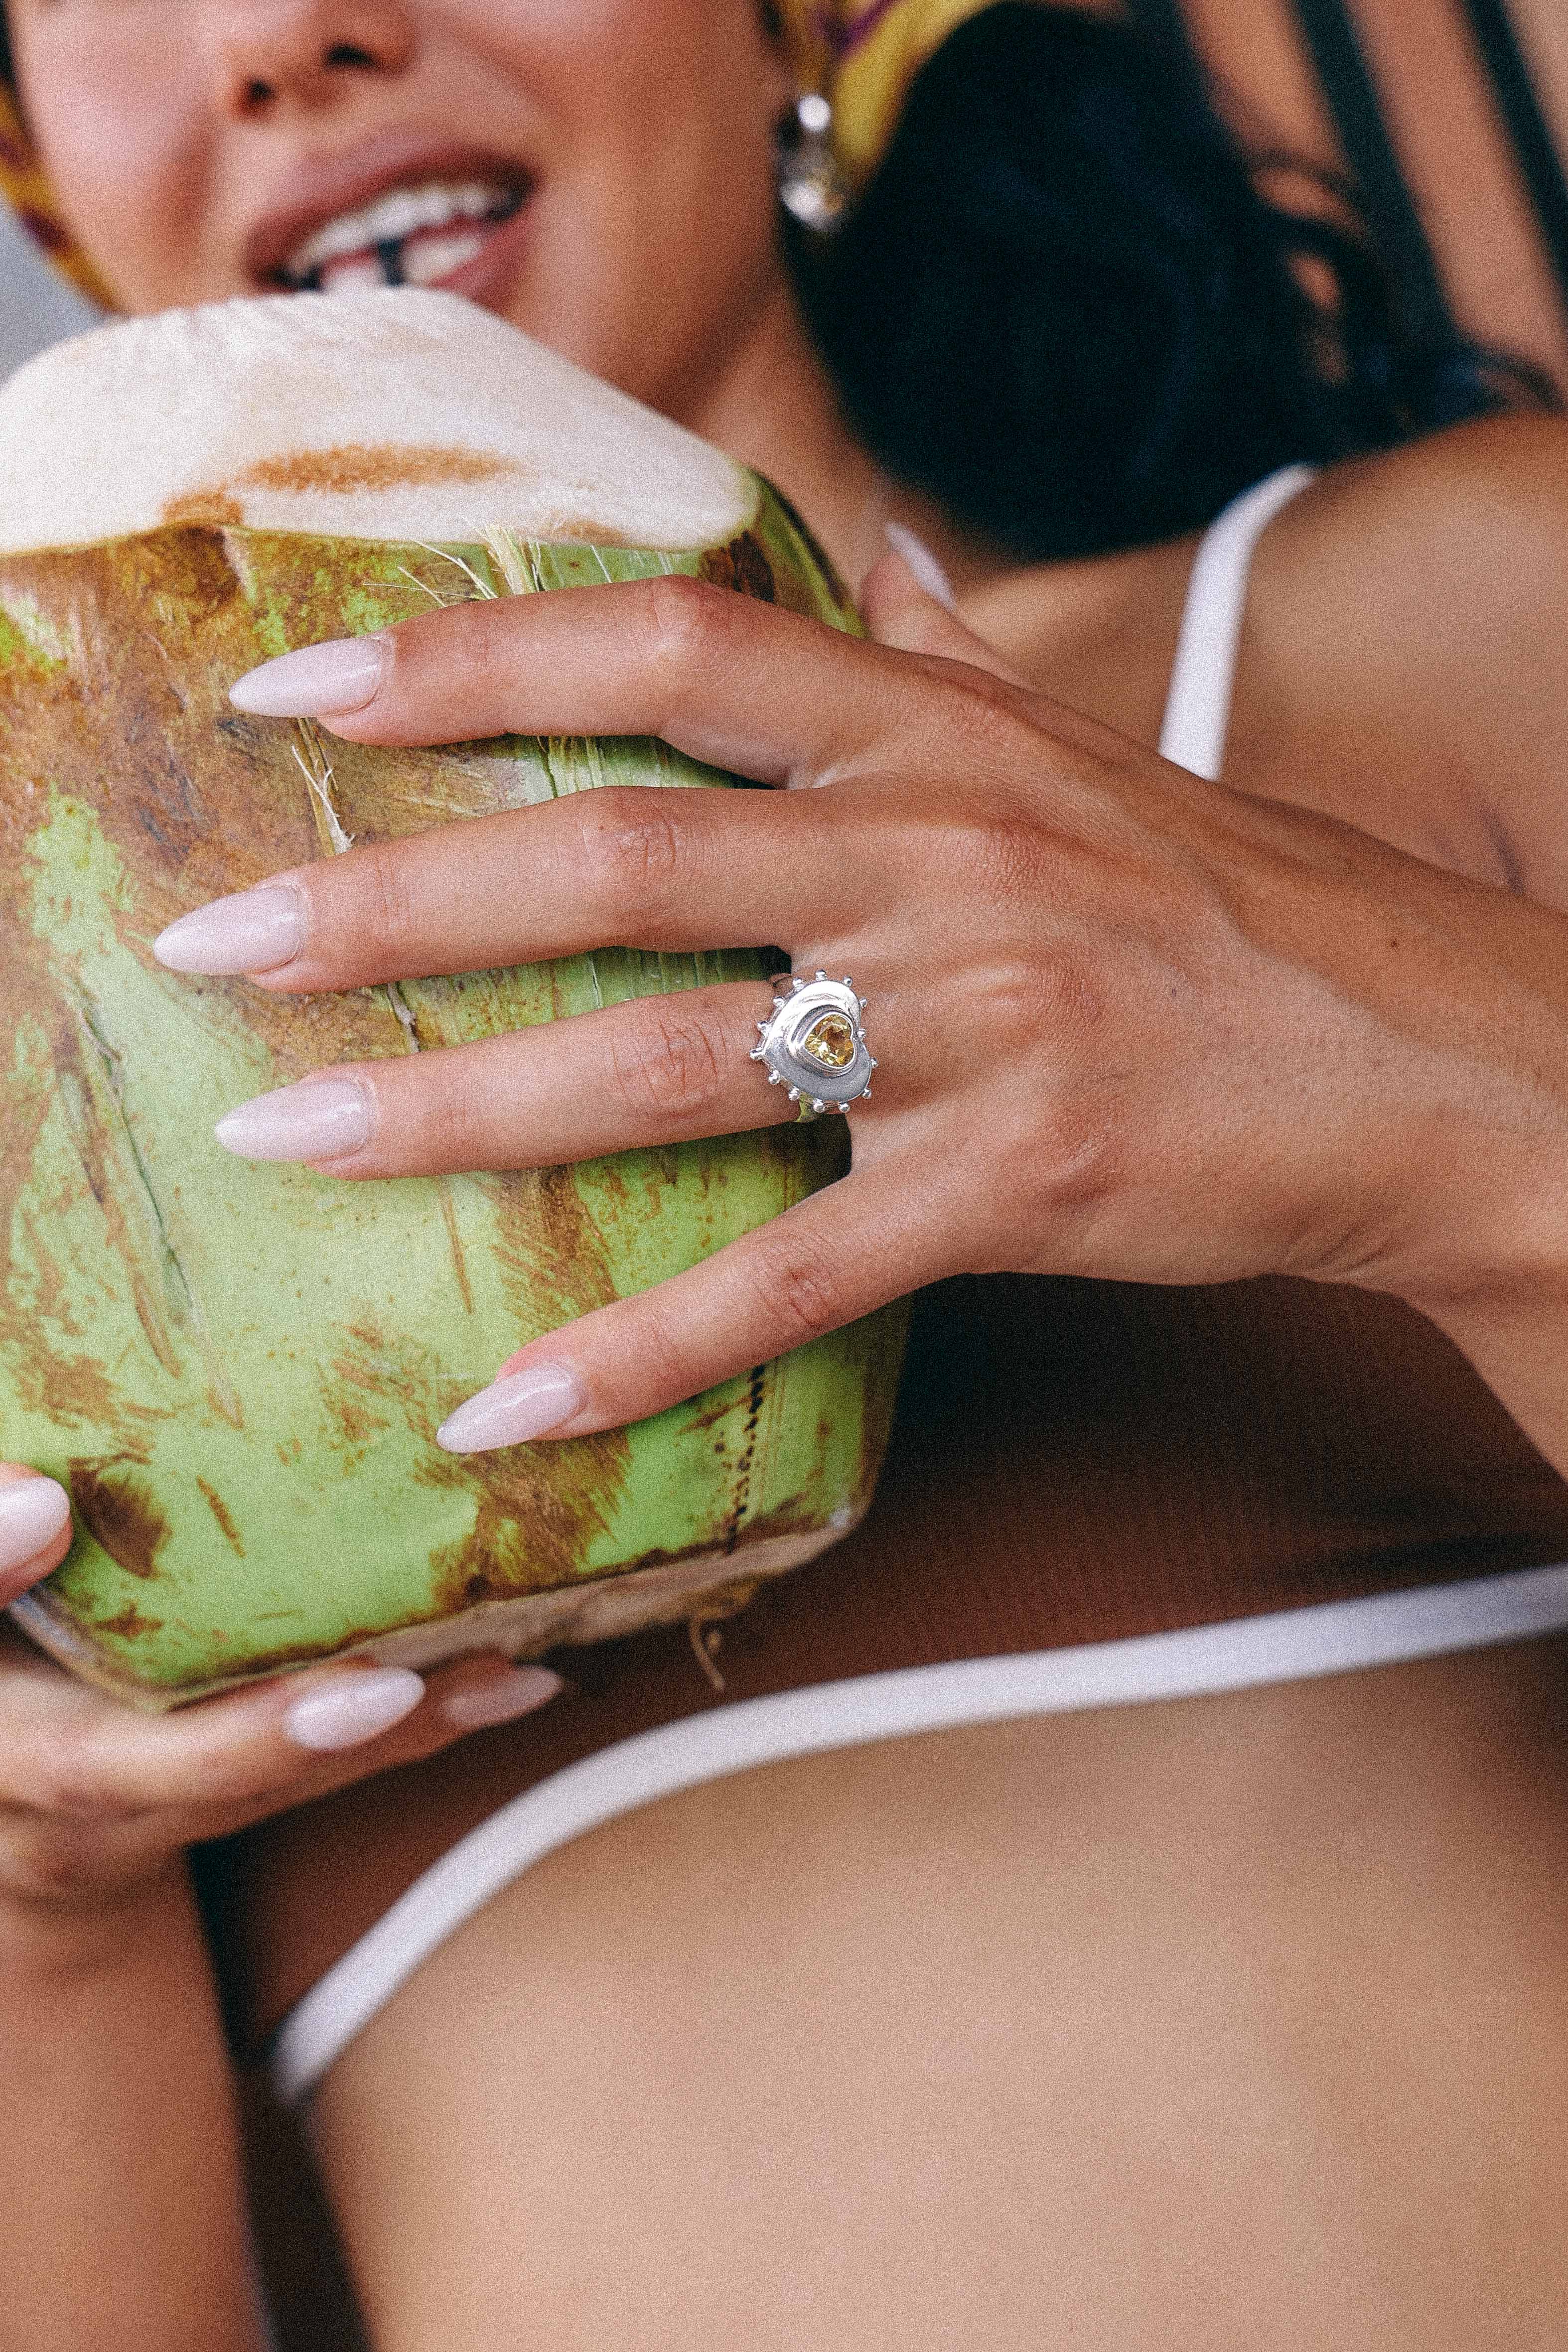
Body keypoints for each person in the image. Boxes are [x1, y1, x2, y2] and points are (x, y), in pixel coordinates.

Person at [3, 3, 1568, 2344]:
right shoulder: (53, 1175)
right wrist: (45, 1900)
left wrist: (1458, 1105)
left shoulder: (1446, 615)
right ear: (37, 167)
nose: (283, 38)